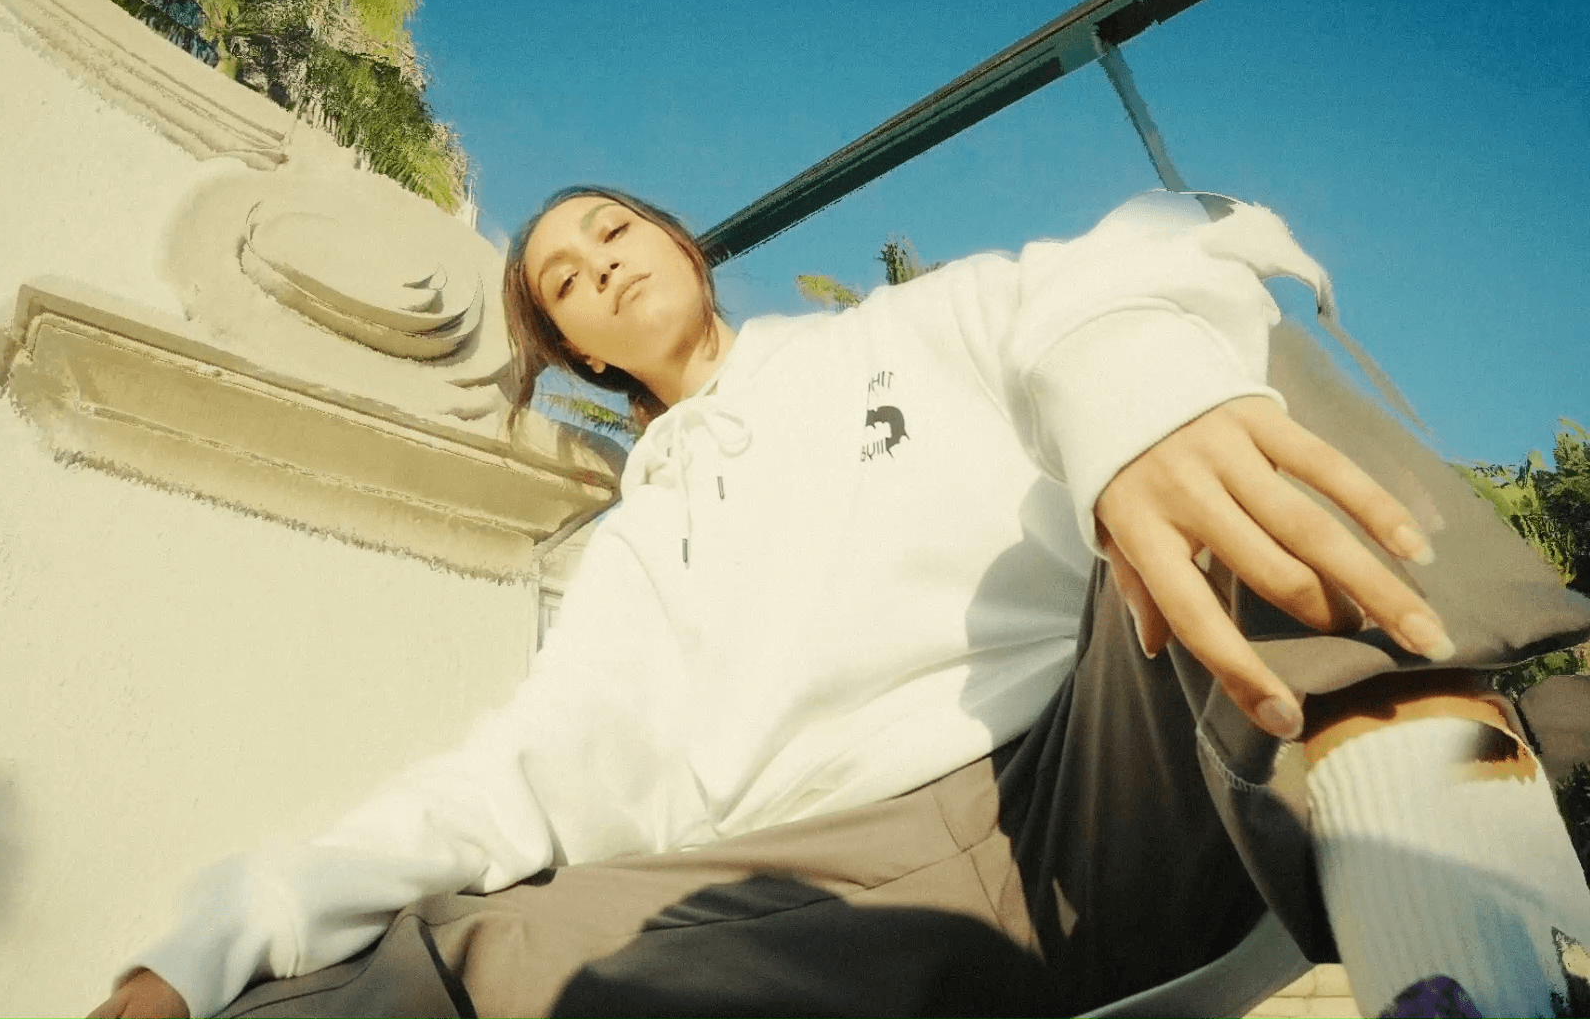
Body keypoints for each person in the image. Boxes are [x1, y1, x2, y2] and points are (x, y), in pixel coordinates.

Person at [92, 188, 1590, 1018]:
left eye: (612, 233)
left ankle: (1467, 952)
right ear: (579, 349)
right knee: (401, 982)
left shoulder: (910, 328)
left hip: (1096, 778)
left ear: (679, 246)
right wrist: (221, 937)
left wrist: (1133, 396)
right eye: (565, 282)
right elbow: (522, 775)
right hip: (808, 896)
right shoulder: (632, 547)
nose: (600, 266)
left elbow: (1143, 254)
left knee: (1197, 401)